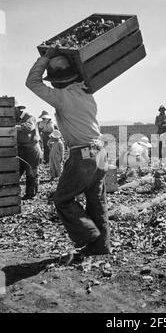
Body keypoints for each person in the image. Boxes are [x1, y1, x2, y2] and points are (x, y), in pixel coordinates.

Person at [26, 47, 111, 256]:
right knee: (96, 200)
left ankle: (89, 234)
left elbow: (32, 83)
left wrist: (44, 58)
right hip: (100, 152)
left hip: (83, 155)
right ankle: (101, 247)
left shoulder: (62, 97)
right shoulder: (86, 93)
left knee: (62, 199)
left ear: (57, 80)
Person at [16, 105, 43, 200]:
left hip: (32, 150)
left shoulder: (29, 117)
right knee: (16, 172)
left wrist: (13, 127)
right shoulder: (14, 118)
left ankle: (30, 194)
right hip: (20, 150)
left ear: (18, 109)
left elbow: (28, 127)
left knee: (31, 173)